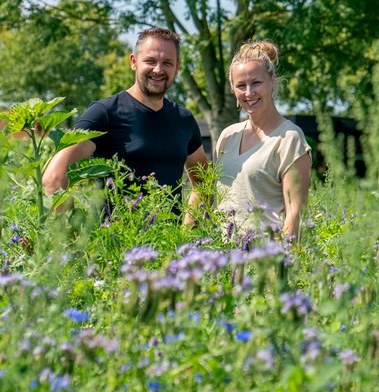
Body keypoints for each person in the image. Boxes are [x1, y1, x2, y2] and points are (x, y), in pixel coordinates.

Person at [42, 27, 208, 224]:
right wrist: (74, 237)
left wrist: (189, 233)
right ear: (133, 62)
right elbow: (54, 178)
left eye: (167, 63)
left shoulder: (184, 120)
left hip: (170, 248)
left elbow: (203, 183)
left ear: (177, 68)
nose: (158, 69)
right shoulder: (105, 113)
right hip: (115, 247)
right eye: (150, 61)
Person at [215, 40, 311, 241]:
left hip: (264, 260)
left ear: (272, 81)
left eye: (256, 83)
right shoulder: (227, 137)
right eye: (241, 85)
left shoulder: (289, 139)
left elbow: (295, 215)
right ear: (233, 89)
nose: (249, 93)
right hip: (222, 261)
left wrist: (279, 267)